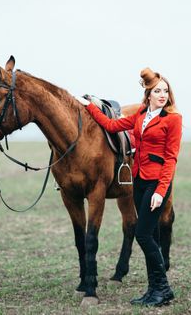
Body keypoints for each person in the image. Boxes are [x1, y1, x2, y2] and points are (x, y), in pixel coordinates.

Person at [76, 67, 182, 307]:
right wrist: (89, 105)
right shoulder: (141, 115)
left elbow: (171, 158)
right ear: (148, 94)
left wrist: (160, 190)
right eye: (157, 91)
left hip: (156, 183)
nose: (162, 95)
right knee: (150, 235)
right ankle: (154, 290)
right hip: (138, 181)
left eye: (165, 91)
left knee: (143, 235)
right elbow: (111, 126)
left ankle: (163, 289)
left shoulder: (173, 119)